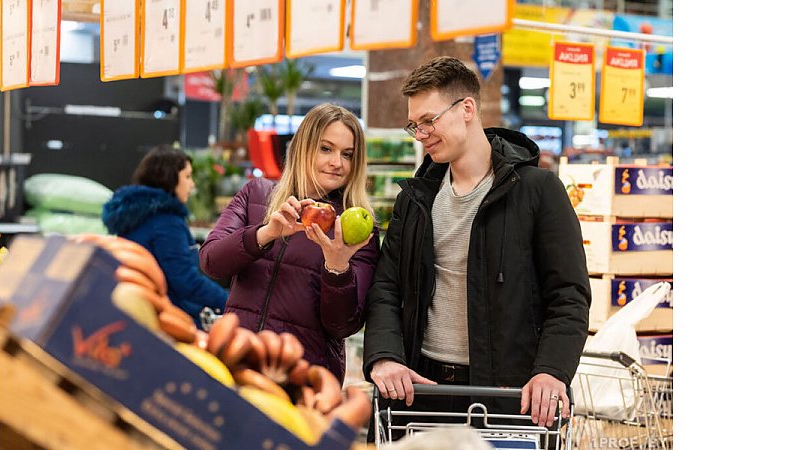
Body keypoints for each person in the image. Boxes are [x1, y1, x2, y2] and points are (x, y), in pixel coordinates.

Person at [362, 56, 590, 437]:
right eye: (415, 125)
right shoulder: (415, 199)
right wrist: (384, 356)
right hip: (421, 393)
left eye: (429, 120)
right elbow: (385, 287)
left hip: (507, 396)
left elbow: (569, 296)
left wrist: (552, 371)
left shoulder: (537, 192)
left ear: (467, 108)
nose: (421, 134)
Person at [199, 103, 380, 383]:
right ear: (302, 148)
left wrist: (337, 267)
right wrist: (265, 234)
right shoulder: (256, 195)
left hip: (302, 377)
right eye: (326, 149)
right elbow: (211, 262)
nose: (337, 163)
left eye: (348, 154)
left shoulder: (355, 228)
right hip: (238, 362)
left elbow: (343, 325)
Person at [102, 145, 228, 328]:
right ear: (169, 177)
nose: (192, 184)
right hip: (167, 320)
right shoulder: (166, 222)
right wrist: (229, 303)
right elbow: (185, 281)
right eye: (187, 176)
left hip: (139, 312)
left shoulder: (134, 215)